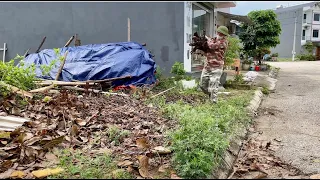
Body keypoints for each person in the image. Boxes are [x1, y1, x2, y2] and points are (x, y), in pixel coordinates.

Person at [200, 26, 229, 103]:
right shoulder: (213, 40)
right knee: (202, 85)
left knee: (214, 86)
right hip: (207, 66)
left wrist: (208, 40)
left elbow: (211, 46)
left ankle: (213, 103)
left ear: (224, 35)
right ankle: (210, 94)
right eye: (219, 32)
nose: (220, 34)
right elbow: (207, 48)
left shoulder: (224, 42)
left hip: (217, 67)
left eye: (222, 34)